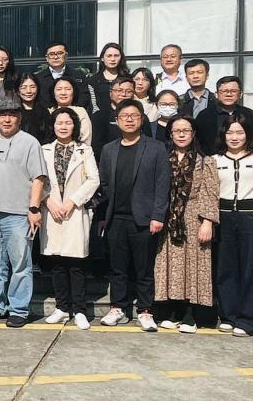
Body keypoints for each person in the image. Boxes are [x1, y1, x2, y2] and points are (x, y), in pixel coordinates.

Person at [95, 100, 170, 332]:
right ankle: (118, 307)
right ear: (117, 121)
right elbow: (104, 185)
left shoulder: (156, 148)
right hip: (116, 217)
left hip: (144, 219)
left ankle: (145, 310)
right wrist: (102, 216)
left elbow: (162, 184)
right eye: (124, 116)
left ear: (141, 119)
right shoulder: (109, 149)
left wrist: (158, 215)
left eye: (134, 115)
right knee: (117, 267)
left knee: (144, 268)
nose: (129, 119)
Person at [0, 98, 46, 328]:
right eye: (2, 115)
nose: (7, 119)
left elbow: (39, 178)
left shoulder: (30, 143)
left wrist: (34, 208)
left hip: (18, 213)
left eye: (12, 115)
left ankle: (18, 309)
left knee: (20, 264)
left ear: (19, 118)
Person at [213, 113, 253, 337]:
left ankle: (249, 320)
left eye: (239, 132)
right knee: (225, 268)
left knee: (252, 269)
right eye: (230, 132)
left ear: (248, 134)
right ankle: (228, 316)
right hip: (223, 218)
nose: (234, 137)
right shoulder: (215, 160)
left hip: (252, 217)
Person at [153, 115, 219, 334]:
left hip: (194, 217)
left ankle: (191, 314)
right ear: (170, 134)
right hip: (169, 217)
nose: (181, 135)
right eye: (176, 131)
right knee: (171, 266)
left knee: (193, 266)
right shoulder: (163, 158)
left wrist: (207, 222)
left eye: (186, 130)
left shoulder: (205, 161)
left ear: (193, 133)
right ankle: (173, 311)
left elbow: (210, 193)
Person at [39, 108, 100, 330]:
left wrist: (72, 201)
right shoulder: (44, 150)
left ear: (75, 126)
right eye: (59, 122)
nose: (63, 126)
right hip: (52, 211)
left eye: (68, 122)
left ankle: (80, 310)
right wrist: (48, 202)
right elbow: (36, 179)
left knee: (76, 264)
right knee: (57, 262)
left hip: (74, 211)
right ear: (53, 125)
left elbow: (93, 179)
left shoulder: (85, 150)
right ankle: (62, 307)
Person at [195, 76, 253, 157]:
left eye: (233, 91)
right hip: (213, 161)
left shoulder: (248, 114)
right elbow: (198, 143)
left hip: (245, 160)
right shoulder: (205, 115)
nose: (229, 94)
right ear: (216, 94)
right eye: (224, 91)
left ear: (240, 94)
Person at [35, 41, 88, 111]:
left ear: (66, 56)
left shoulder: (78, 76)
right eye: (51, 54)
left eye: (59, 53)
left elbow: (84, 98)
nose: (56, 57)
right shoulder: (38, 78)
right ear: (46, 58)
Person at [91, 77, 135, 158]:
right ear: (111, 93)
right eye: (119, 90)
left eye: (128, 91)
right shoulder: (100, 115)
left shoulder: (139, 116)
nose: (123, 94)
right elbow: (97, 145)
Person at [88, 43, 129, 114]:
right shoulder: (92, 81)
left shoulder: (128, 79)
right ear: (102, 58)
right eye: (109, 56)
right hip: (99, 118)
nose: (112, 59)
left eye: (116, 56)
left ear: (121, 58)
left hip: (124, 116)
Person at [50, 76, 92, 146]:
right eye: (59, 89)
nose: (63, 93)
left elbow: (86, 138)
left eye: (68, 89)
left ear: (74, 92)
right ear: (53, 93)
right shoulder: (49, 112)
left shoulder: (81, 112)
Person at [17, 74, 50, 144]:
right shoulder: (13, 111)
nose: (28, 91)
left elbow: (49, 135)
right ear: (17, 89)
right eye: (23, 87)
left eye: (32, 87)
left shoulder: (44, 111)